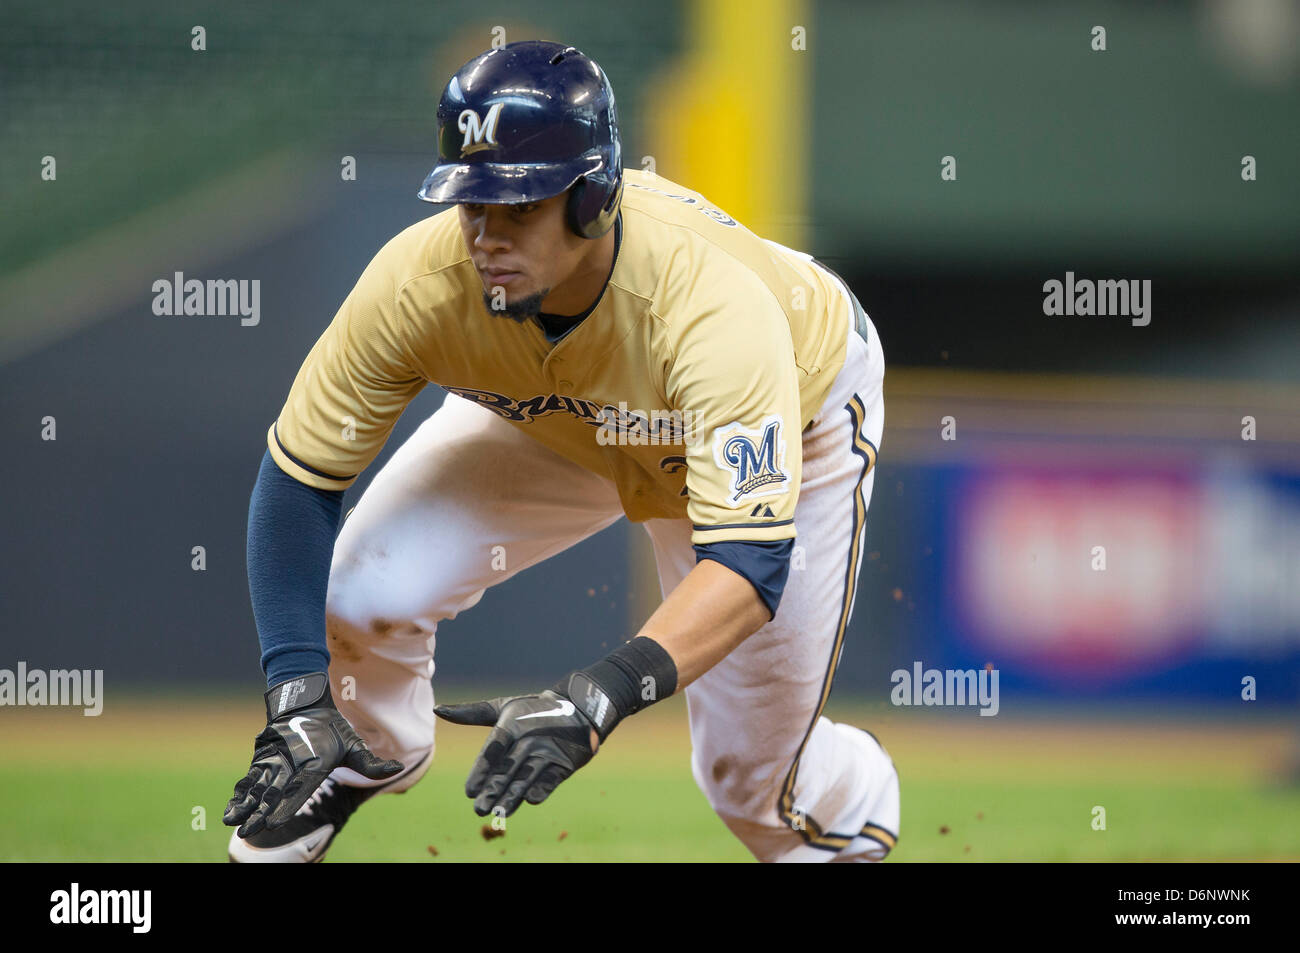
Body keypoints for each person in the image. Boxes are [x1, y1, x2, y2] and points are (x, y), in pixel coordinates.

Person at [223, 39, 897, 863]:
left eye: (520, 207)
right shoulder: (419, 283)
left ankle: (855, 803)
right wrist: (295, 694)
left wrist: (596, 699)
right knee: (364, 592)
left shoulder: (709, 308)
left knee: (749, 789)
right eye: (472, 204)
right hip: (566, 420)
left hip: (794, 408)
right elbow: (300, 479)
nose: (486, 237)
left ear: (594, 197)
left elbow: (749, 563)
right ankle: (362, 752)